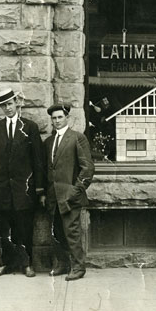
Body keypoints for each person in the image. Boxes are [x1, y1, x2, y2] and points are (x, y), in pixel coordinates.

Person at [0, 88, 45, 278]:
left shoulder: (30, 127)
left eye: (10, 104)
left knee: (24, 226)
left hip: (24, 189)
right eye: (4, 105)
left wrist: (39, 187)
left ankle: (27, 263)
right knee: (3, 227)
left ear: (17, 104)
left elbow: (38, 159)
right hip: (2, 189)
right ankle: (6, 264)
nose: (7, 108)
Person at [42, 103, 94, 281]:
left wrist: (75, 190)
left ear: (67, 118)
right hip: (53, 197)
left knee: (72, 232)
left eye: (60, 117)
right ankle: (62, 264)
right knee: (56, 232)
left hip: (70, 197)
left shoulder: (77, 138)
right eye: (54, 118)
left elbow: (87, 169)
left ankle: (79, 267)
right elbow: (47, 170)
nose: (57, 121)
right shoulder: (49, 142)